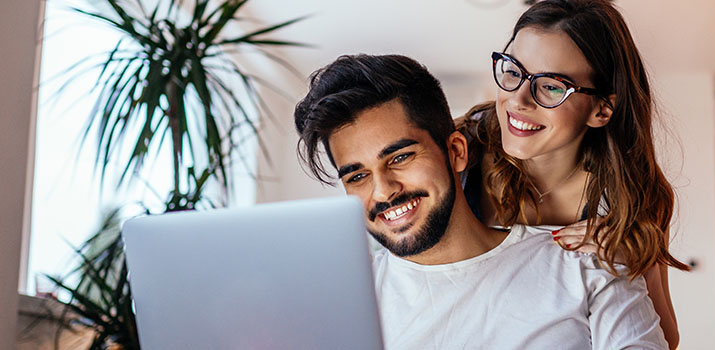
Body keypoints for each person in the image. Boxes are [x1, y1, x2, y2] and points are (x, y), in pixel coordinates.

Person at [294, 54, 667, 349]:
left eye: (400, 157)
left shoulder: (586, 267)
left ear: (455, 151)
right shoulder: (342, 307)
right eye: (357, 176)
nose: (383, 191)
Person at [458, 0, 689, 347]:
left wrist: (629, 263)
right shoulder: (461, 150)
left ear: (601, 109)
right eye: (513, 71)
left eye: (551, 86)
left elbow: (665, 338)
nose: (519, 99)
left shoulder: (635, 198)